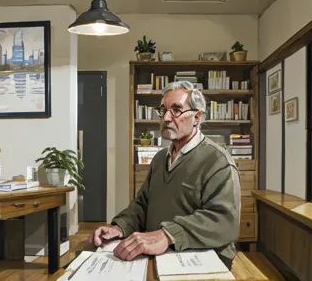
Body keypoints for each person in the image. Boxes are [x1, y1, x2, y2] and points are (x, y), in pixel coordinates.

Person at [88, 81, 241, 269]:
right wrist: (120, 227)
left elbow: (224, 221)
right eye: (163, 110)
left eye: (176, 110)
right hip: (159, 256)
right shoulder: (160, 158)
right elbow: (142, 204)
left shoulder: (218, 161)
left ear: (197, 117)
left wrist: (167, 235)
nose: (166, 118)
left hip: (201, 260)